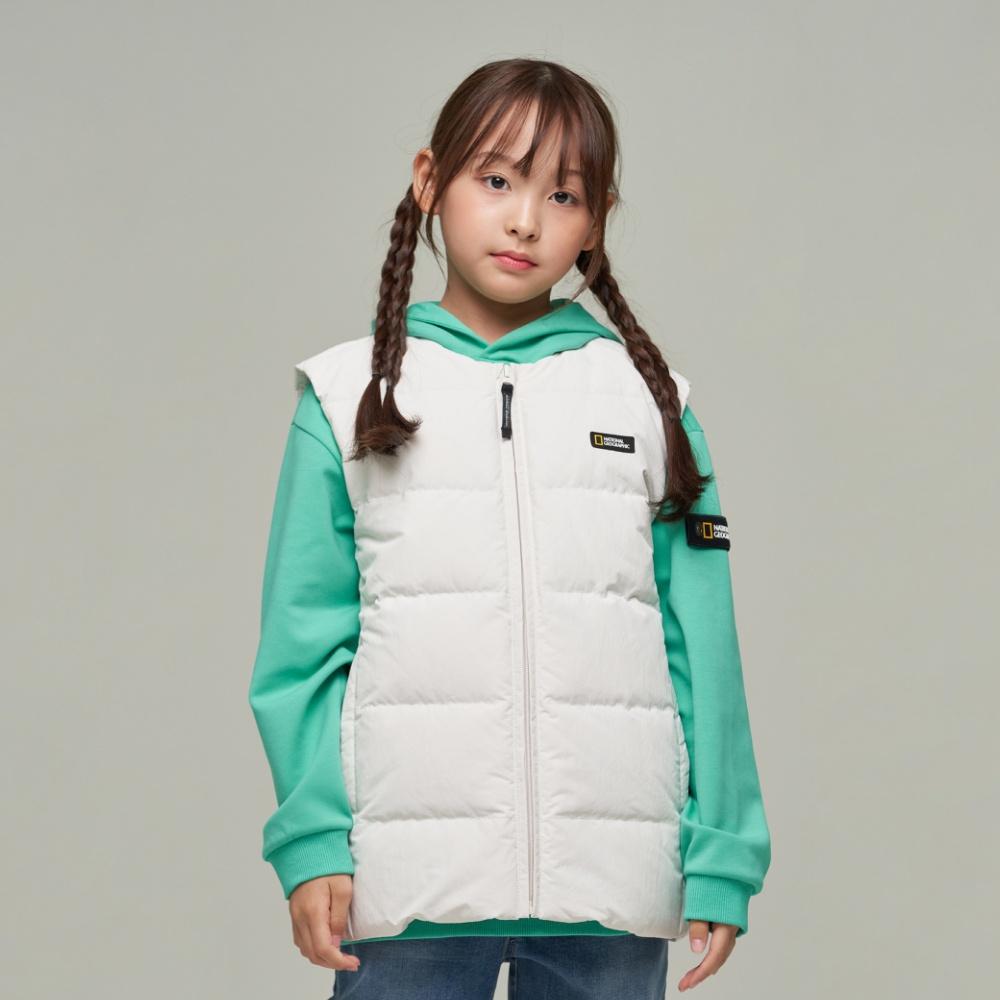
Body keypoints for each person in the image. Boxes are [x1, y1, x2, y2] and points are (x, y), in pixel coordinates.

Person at [248, 57, 771, 999]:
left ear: (596, 221)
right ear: (429, 180)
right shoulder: (346, 397)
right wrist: (312, 839)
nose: (526, 220)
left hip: (610, 888)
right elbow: (300, 649)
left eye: (563, 195)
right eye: (496, 180)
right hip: (404, 886)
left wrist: (724, 848)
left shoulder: (649, 404)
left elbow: (703, 643)